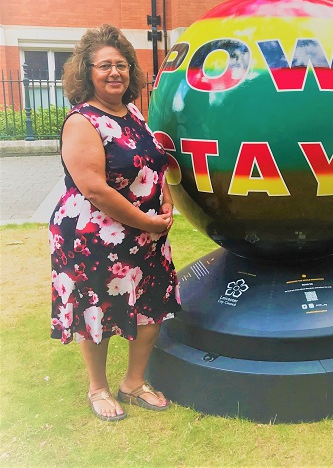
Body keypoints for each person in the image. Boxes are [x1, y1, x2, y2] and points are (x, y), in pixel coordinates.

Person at [49, 24, 182, 421]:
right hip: (94, 235)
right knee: (98, 309)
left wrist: (166, 200)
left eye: (121, 65)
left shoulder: (132, 112)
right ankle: (98, 388)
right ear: (86, 72)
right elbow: (95, 190)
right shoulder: (82, 121)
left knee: (152, 305)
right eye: (105, 65)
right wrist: (147, 222)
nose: (115, 73)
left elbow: (154, 162)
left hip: (146, 234)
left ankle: (134, 383)